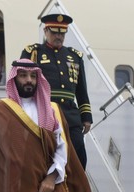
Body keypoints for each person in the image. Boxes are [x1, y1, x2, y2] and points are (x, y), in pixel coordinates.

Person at [0, 59, 92, 192]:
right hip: (17, 189)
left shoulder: (52, 110)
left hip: (49, 186)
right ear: (14, 78)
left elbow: (61, 147)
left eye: (33, 76)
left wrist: (52, 178)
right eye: (23, 75)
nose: (29, 80)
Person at [20, 14, 93, 170]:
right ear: (46, 31)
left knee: (78, 148)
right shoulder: (34, 52)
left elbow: (81, 90)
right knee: (48, 151)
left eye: (62, 33)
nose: (58, 36)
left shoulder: (75, 56)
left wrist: (86, 117)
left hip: (70, 114)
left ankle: (77, 188)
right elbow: (22, 82)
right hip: (46, 110)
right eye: (54, 32)